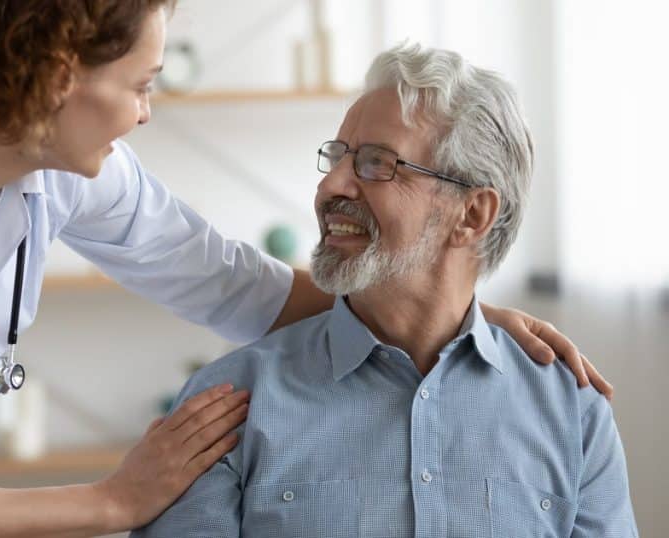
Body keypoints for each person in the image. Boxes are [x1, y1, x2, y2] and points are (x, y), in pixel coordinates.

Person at [0, 2, 606, 536]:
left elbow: (238, 284)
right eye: (141, 85)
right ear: (60, 80)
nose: (147, 111)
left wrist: (463, 322)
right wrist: (114, 498)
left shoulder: (59, 172)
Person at [133, 43, 637, 537]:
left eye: (377, 163)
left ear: (473, 215)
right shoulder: (225, 409)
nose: (330, 186)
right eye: (336, 157)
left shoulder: (572, 410)